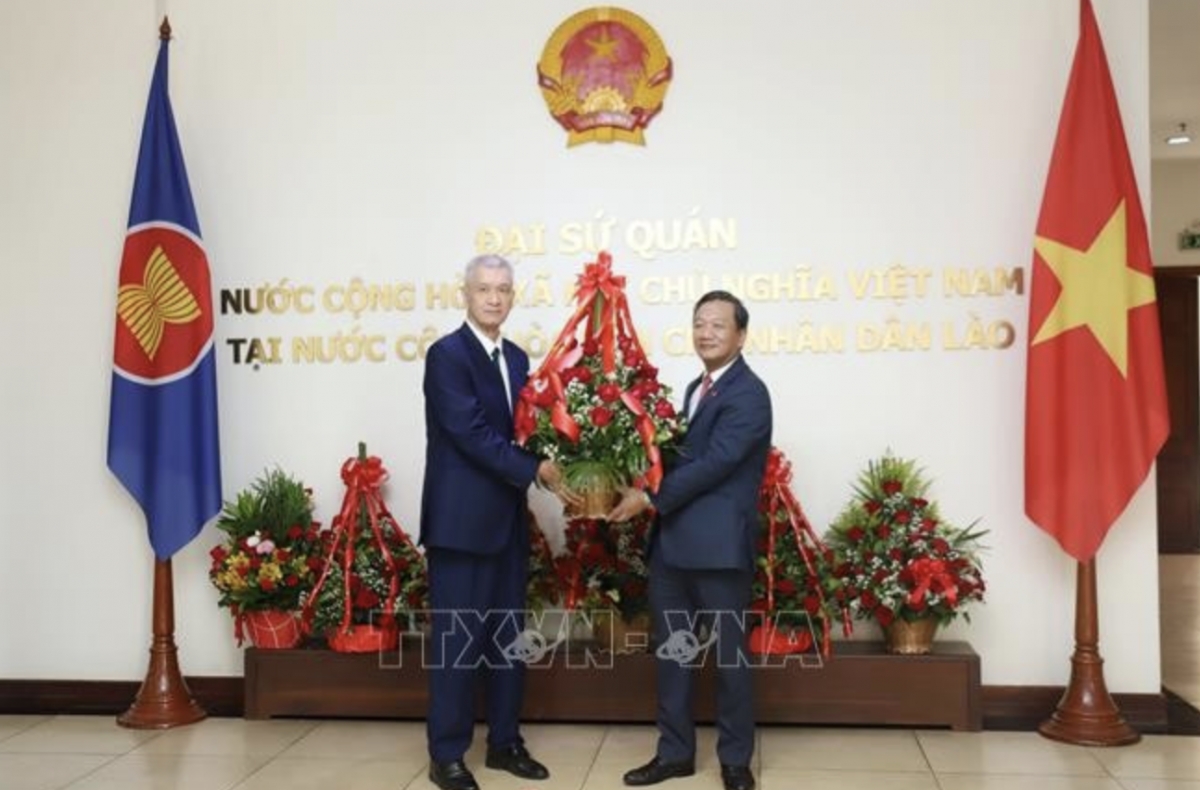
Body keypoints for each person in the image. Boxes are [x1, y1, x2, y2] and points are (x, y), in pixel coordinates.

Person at [608, 290, 772, 790]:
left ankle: (736, 762)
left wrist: (649, 498)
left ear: (741, 335)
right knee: (674, 656)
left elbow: (715, 464)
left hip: (719, 551)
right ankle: (675, 753)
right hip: (675, 548)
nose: (707, 333)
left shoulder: (748, 393)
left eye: (719, 325)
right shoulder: (695, 389)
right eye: (700, 323)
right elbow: (679, 461)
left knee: (729, 660)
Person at [420, 254, 564, 790]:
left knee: (509, 643)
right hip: (459, 528)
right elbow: (472, 434)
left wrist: (567, 452)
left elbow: (528, 430)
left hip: (506, 525)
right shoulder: (447, 356)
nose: (495, 298)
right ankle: (447, 755)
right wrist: (537, 469)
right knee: (457, 645)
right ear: (466, 293)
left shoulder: (520, 359)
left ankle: (505, 743)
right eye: (484, 289)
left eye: (503, 289)